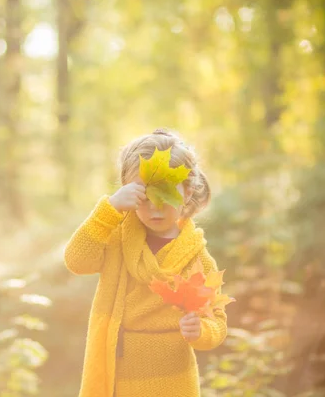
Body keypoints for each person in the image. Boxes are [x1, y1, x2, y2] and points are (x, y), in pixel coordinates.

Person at [64, 129, 228, 397]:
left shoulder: (196, 258)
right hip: (118, 378)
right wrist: (110, 209)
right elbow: (77, 261)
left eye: (166, 196)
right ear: (129, 192)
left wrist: (201, 330)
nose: (155, 208)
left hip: (175, 383)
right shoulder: (116, 239)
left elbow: (217, 323)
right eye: (145, 196)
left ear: (187, 192)